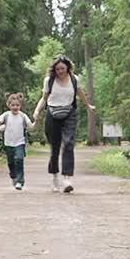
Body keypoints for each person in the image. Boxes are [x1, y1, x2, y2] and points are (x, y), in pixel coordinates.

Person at [31, 54, 95, 194]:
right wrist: (37, 111)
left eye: (62, 68)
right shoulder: (49, 80)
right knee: (54, 148)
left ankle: (67, 178)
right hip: (52, 115)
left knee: (68, 143)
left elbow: (80, 93)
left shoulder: (74, 79)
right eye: (57, 69)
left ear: (67, 67)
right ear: (54, 69)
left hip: (69, 114)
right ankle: (55, 178)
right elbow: (44, 98)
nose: (60, 71)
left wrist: (88, 106)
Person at [0, 93, 34, 190]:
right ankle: (13, 176)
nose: (15, 107)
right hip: (8, 143)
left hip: (20, 143)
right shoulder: (6, 115)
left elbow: (30, 126)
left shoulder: (23, 116)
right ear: (8, 105)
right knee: (11, 163)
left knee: (19, 160)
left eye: (17, 105)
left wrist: (36, 122)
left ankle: (19, 181)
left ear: (20, 105)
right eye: (13, 105)